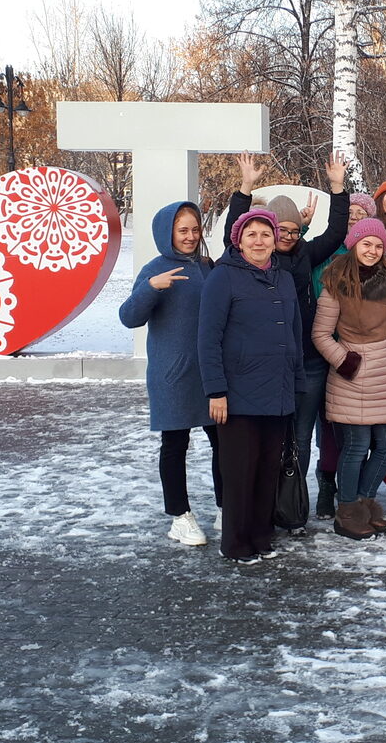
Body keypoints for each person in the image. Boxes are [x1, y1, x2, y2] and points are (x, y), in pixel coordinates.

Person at [224, 152, 351, 531]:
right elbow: (236, 230)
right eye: (282, 231)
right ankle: (264, 506)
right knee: (270, 442)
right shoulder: (257, 259)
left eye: (295, 231)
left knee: (298, 439)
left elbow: (337, 233)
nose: (288, 238)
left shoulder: (306, 254)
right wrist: (244, 188)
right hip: (268, 367)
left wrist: (337, 188)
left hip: (308, 364)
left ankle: (290, 504)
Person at [198, 208, 303, 564]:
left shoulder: (283, 277)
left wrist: (296, 382)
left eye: (266, 234)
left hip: (278, 392)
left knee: (267, 468)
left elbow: (294, 334)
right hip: (237, 394)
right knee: (239, 471)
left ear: (276, 240)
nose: (259, 241)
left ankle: (261, 535)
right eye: (251, 234)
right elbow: (208, 338)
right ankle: (235, 542)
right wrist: (216, 390)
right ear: (238, 240)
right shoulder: (223, 278)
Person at [119, 201, 223, 546]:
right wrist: (152, 287)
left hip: (209, 374)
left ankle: (227, 507)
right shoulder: (155, 269)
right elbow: (129, 317)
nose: (191, 237)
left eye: (195, 229)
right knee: (175, 445)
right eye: (183, 231)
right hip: (173, 374)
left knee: (224, 442)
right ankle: (180, 516)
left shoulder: (208, 266)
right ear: (168, 233)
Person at [312, 218, 386, 540]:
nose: (373, 250)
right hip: (351, 375)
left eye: (379, 246)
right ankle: (347, 511)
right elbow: (321, 335)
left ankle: (364, 502)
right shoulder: (335, 283)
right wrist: (346, 361)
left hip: (384, 374)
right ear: (354, 245)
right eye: (367, 244)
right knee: (356, 447)